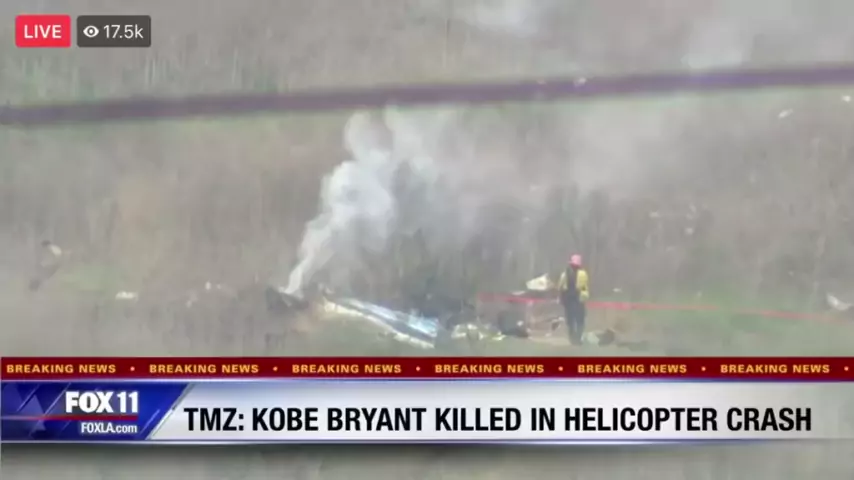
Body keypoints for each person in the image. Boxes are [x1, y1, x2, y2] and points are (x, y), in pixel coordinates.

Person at [557, 254, 589, 345]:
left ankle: (572, 338)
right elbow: (584, 285)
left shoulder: (565, 274)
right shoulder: (583, 274)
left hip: (568, 299)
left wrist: (561, 297)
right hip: (579, 299)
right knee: (580, 320)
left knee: (570, 320)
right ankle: (578, 338)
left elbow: (560, 286)